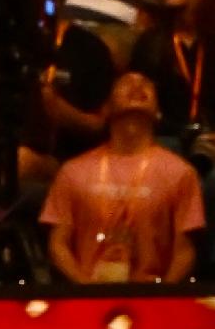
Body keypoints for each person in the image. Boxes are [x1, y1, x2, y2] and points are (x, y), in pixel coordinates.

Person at [41, 70, 205, 285]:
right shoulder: (73, 172)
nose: (137, 86)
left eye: (146, 84)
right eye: (126, 83)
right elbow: (58, 244)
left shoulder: (181, 173)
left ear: (158, 112)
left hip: (152, 297)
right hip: (87, 295)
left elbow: (184, 250)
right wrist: (85, 290)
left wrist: (159, 298)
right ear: (106, 109)